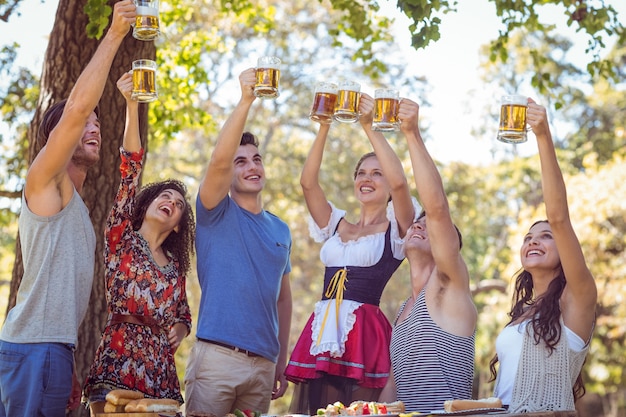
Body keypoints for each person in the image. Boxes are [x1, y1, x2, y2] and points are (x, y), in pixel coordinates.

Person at [0, 2, 136, 416]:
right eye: (85, 124)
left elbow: (131, 168)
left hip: (52, 350)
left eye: (98, 122)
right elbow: (75, 109)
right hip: (33, 349)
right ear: (58, 138)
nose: (93, 126)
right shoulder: (45, 181)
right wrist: (114, 34)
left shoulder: (75, 205)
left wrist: (66, 357)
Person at [284, 93, 416, 414]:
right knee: (320, 411)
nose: (366, 179)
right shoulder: (334, 224)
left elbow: (400, 184)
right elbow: (307, 183)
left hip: (365, 334)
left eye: (376, 173)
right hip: (324, 327)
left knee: (358, 411)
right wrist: (323, 127)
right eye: (361, 173)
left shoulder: (396, 230)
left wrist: (370, 127)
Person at [82, 72, 195, 415]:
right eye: (166, 196)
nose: (172, 203)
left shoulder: (176, 269)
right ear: (145, 206)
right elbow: (130, 168)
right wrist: (132, 103)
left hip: (160, 374)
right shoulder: (121, 239)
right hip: (116, 362)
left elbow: (183, 315)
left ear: (178, 227)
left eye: (178, 205)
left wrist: (179, 328)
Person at [183, 68, 293, 416]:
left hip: (263, 366)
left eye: (256, 160)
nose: (251, 167)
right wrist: (247, 99)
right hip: (217, 358)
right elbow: (218, 162)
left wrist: (281, 356)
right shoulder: (214, 211)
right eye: (240, 162)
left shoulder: (281, 229)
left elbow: (284, 298)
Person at [489, 99, 597, 412]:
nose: (533, 242)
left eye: (546, 237)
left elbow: (559, 216)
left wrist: (542, 135)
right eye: (528, 238)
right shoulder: (523, 311)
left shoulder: (578, 297)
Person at [378, 99, 477, 413]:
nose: (418, 224)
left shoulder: (449, 286)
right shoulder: (403, 311)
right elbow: (393, 385)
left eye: (428, 226)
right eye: (415, 223)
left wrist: (411, 134)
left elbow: (436, 209)